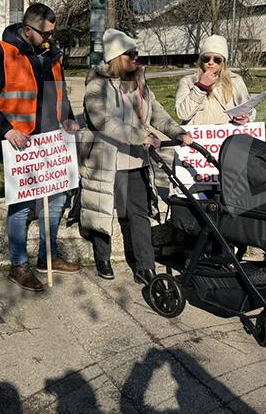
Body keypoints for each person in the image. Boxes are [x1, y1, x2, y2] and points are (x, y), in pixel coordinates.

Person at [0, 3, 81, 292]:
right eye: (45, 33)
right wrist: (6, 130)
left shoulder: (52, 54)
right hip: (20, 144)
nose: (50, 38)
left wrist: (68, 118)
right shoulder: (4, 55)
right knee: (21, 207)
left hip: (52, 142)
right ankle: (18, 265)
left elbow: (61, 93)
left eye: (52, 33)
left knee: (57, 201)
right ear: (27, 30)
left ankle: (49, 256)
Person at [79, 29, 193, 283]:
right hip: (106, 158)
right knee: (104, 208)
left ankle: (144, 265)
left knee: (138, 212)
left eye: (136, 53)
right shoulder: (97, 83)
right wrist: (139, 136)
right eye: (130, 54)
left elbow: (157, 113)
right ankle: (102, 257)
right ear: (116, 56)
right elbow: (102, 120)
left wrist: (178, 132)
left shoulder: (139, 81)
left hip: (135, 159)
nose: (135, 58)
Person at [175, 35, 253, 126]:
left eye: (217, 60)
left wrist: (246, 117)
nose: (211, 63)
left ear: (223, 62)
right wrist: (201, 86)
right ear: (201, 61)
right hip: (197, 136)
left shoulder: (235, 80)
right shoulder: (188, 81)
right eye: (206, 59)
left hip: (227, 135)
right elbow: (182, 114)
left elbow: (248, 109)